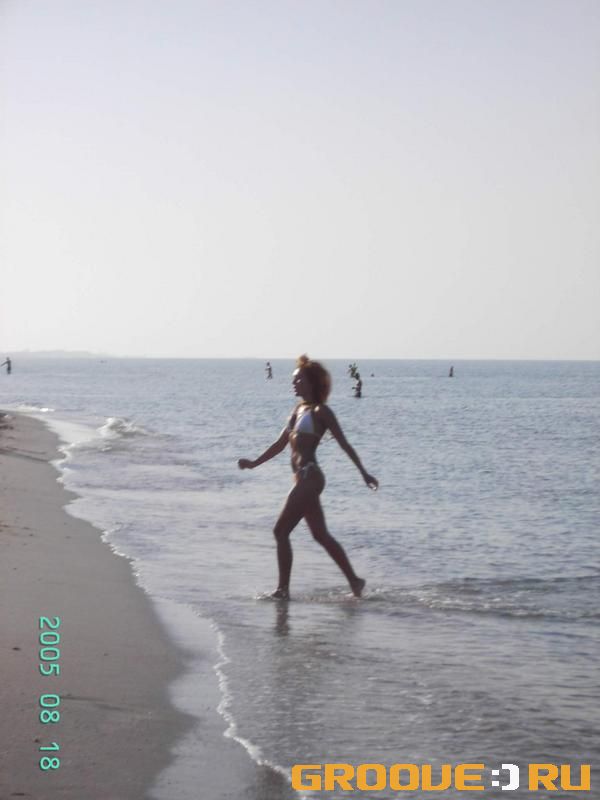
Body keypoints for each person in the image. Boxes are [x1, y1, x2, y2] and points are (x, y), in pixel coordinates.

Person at [238, 354, 377, 599]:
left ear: (311, 382)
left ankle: (283, 590)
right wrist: (254, 463)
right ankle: (355, 581)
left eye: (298, 379)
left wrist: (363, 473)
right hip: (301, 479)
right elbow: (279, 445)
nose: (294, 383)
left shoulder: (321, 411)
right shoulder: (297, 411)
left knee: (280, 531)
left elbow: (344, 444)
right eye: (294, 379)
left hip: (310, 477)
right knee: (320, 535)